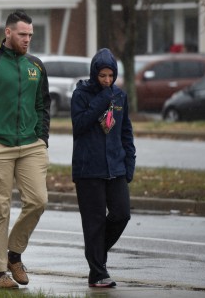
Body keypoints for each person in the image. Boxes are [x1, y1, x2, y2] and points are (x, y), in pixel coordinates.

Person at [0, 10, 51, 289]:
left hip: (31, 145)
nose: (27, 39)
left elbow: (42, 104)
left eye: (30, 35)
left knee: (38, 200)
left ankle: (14, 253)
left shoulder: (35, 66)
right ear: (8, 33)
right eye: (22, 34)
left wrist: (42, 138)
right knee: (0, 207)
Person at [70, 48, 136, 288]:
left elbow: (126, 132)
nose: (107, 81)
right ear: (94, 74)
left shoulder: (120, 96)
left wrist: (129, 164)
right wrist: (102, 99)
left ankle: (95, 252)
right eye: (103, 76)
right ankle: (98, 273)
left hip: (116, 167)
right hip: (89, 170)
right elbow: (79, 125)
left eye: (111, 76)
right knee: (94, 222)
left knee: (122, 214)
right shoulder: (81, 94)